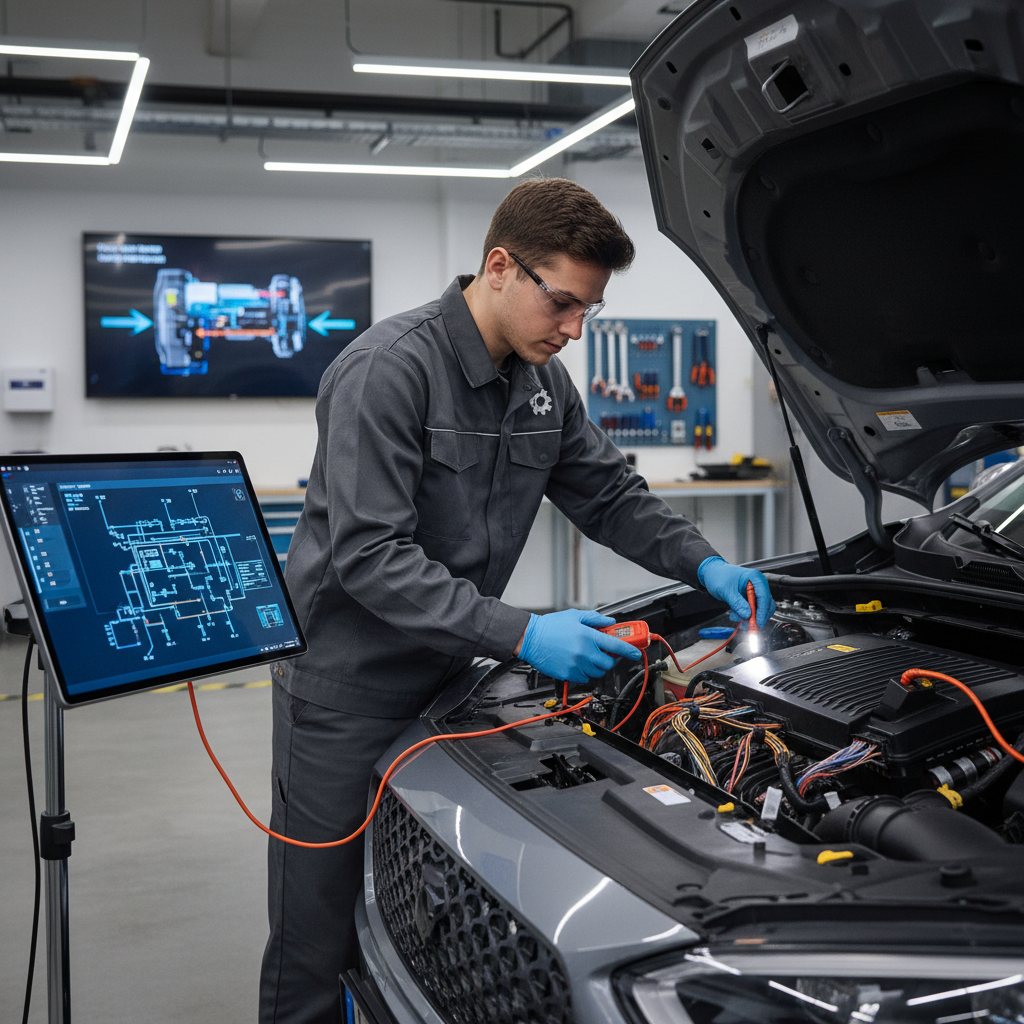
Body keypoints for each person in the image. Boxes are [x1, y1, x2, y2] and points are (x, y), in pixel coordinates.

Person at [259, 177, 774, 1024]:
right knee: (317, 935)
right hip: (343, 694)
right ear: (500, 267)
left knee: (426, 920)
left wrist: (705, 563)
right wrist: (524, 635)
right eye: (564, 304)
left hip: (450, 681)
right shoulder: (388, 370)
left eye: (587, 313)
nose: (574, 330)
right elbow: (370, 557)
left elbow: (608, 495)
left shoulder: (543, 385)